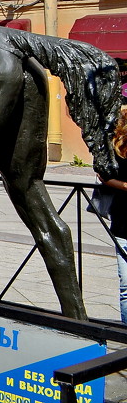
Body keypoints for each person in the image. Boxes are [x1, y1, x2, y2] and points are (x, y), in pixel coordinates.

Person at [99, 106, 127, 323]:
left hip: (121, 222)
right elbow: (102, 174)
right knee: (126, 286)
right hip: (122, 224)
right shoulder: (116, 149)